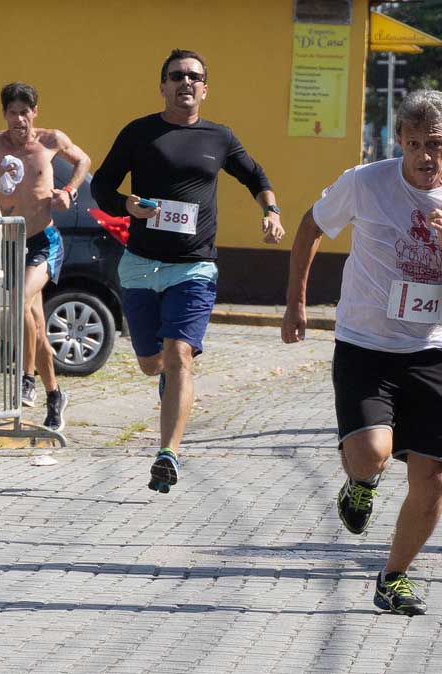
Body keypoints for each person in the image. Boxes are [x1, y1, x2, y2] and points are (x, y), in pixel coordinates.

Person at [282, 90, 442, 615]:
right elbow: (310, 226)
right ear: (398, 140)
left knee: (435, 475)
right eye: (414, 143)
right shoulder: (365, 182)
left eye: (436, 144)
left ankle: (393, 576)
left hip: (434, 348)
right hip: (366, 344)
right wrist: (295, 304)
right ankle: (359, 482)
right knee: (372, 454)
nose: (424, 155)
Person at [91, 49, 285, 494]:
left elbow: (255, 175)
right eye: (177, 76)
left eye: (194, 77)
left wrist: (271, 211)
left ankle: (168, 453)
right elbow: (101, 184)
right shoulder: (139, 132)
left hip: (194, 267)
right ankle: (166, 381)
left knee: (179, 356)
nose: (186, 83)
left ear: (205, 88)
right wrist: (126, 205)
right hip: (141, 265)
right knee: (149, 363)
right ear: (162, 86)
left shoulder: (220, 137)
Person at [0, 82, 91, 432]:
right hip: (12, 242)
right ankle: (55, 395)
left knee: (20, 301)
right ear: (4, 114)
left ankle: (26, 378)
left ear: (35, 112)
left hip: (44, 241)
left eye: (25, 112)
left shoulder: (50, 141)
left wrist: (69, 191)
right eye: (12, 112)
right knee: (35, 328)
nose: (18, 119)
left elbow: (83, 160)